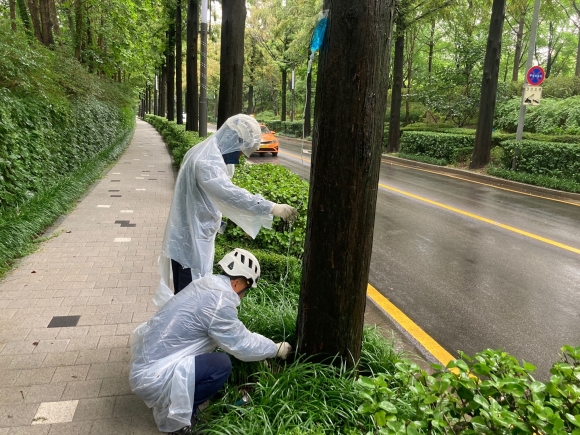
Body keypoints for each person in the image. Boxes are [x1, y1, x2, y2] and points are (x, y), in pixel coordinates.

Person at [130, 248, 292, 434]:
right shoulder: (219, 302)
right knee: (221, 364)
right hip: (153, 377)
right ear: (238, 284)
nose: (244, 296)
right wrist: (275, 349)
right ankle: (180, 419)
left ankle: (178, 401)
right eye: (246, 291)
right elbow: (242, 344)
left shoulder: (207, 283)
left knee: (212, 357)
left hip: (145, 361)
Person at [158, 113, 298, 295]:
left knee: (191, 298)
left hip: (192, 237)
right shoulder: (206, 162)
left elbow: (211, 199)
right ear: (234, 140)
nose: (240, 157)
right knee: (189, 302)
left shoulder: (206, 152)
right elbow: (230, 194)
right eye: (241, 151)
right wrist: (271, 207)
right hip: (190, 245)